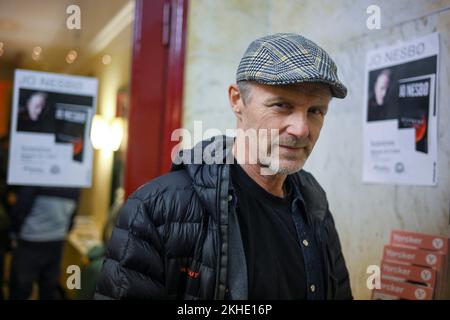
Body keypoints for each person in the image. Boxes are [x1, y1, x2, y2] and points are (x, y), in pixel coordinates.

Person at [95, 33, 352, 300]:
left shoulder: (313, 202)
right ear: (237, 101)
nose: (301, 129)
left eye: (316, 111)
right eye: (281, 105)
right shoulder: (156, 208)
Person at [8, 186, 80, 300]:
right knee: (49, 289)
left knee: (20, 289)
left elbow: (21, 208)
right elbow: (72, 217)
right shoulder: (73, 185)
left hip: (29, 240)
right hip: (56, 241)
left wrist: (13, 232)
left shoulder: (37, 177)